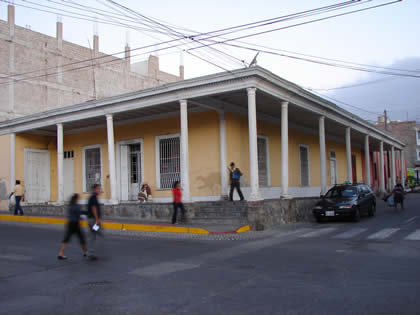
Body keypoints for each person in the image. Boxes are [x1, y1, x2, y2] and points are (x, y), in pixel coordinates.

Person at [57, 193, 87, 260]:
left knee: (66, 239)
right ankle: (86, 252)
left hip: (70, 223)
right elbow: (80, 215)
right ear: (76, 199)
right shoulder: (77, 206)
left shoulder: (70, 205)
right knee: (81, 238)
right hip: (75, 224)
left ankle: (61, 253)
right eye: (78, 198)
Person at [86, 184, 103, 261]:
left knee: (92, 236)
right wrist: (97, 220)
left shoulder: (92, 197)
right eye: (98, 189)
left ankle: (90, 253)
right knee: (100, 233)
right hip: (93, 220)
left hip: (91, 220)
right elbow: (94, 208)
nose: (99, 190)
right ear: (94, 189)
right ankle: (90, 253)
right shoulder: (93, 197)